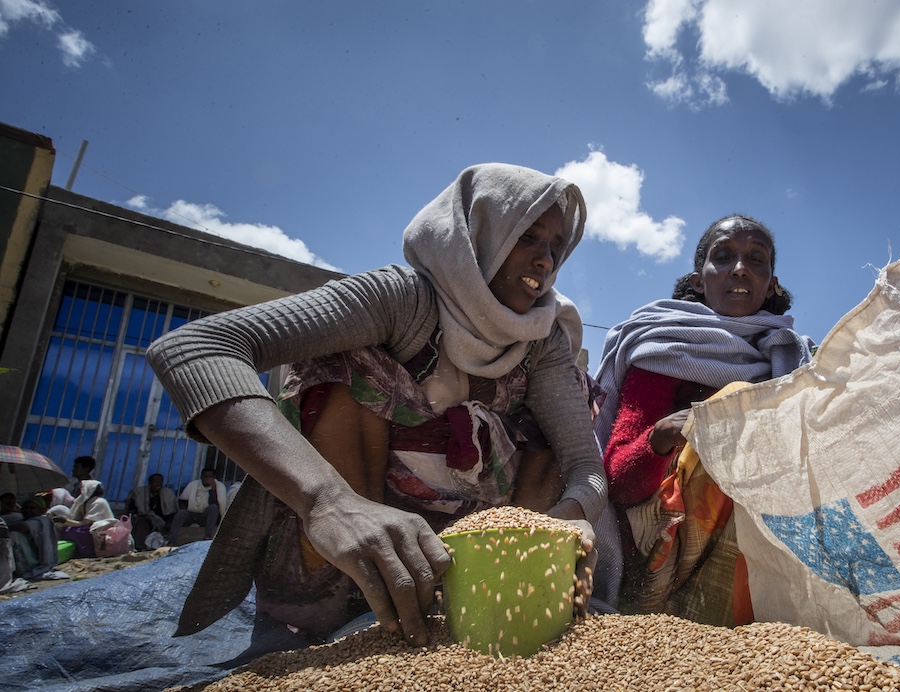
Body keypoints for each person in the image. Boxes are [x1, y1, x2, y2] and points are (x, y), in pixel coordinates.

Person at [146, 163, 605, 645]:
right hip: (353, 529)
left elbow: (584, 466)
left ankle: (506, 609)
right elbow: (194, 349)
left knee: (554, 431)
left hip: (477, 560)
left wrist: (563, 525)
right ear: (479, 234)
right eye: (529, 237)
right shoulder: (401, 299)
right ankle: (343, 610)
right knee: (345, 369)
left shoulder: (542, 339)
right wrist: (328, 502)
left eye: (556, 247)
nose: (546, 261)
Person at [592, 214, 815, 625]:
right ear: (699, 280)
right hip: (659, 542)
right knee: (732, 408)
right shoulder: (663, 349)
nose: (741, 268)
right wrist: (661, 438)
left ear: (771, 284)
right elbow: (618, 486)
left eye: (756, 260)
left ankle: (763, 621)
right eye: (725, 257)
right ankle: (684, 618)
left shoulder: (790, 361)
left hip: (762, 533)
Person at [168, 468, 226, 545]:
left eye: (210, 477)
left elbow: (216, 504)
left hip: (205, 516)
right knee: (181, 513)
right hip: (192, 513)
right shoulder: (193, 485)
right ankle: (171, 541)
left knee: (213, 508)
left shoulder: (219, 486)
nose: (208, 479)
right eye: (206, 477)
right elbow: (183, 500)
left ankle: (208, 536)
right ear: (201, 477)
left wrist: (213, 489)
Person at [126, 473, 179, 550]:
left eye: (160, 482)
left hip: (162, 519)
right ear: (150, 483)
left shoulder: (168, 494)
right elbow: (131, 509)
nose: (158, 484)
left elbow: (171, 512)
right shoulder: (140, 493)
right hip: (144, 517)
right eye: (156, 482)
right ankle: (140, 547)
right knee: (142, 522)